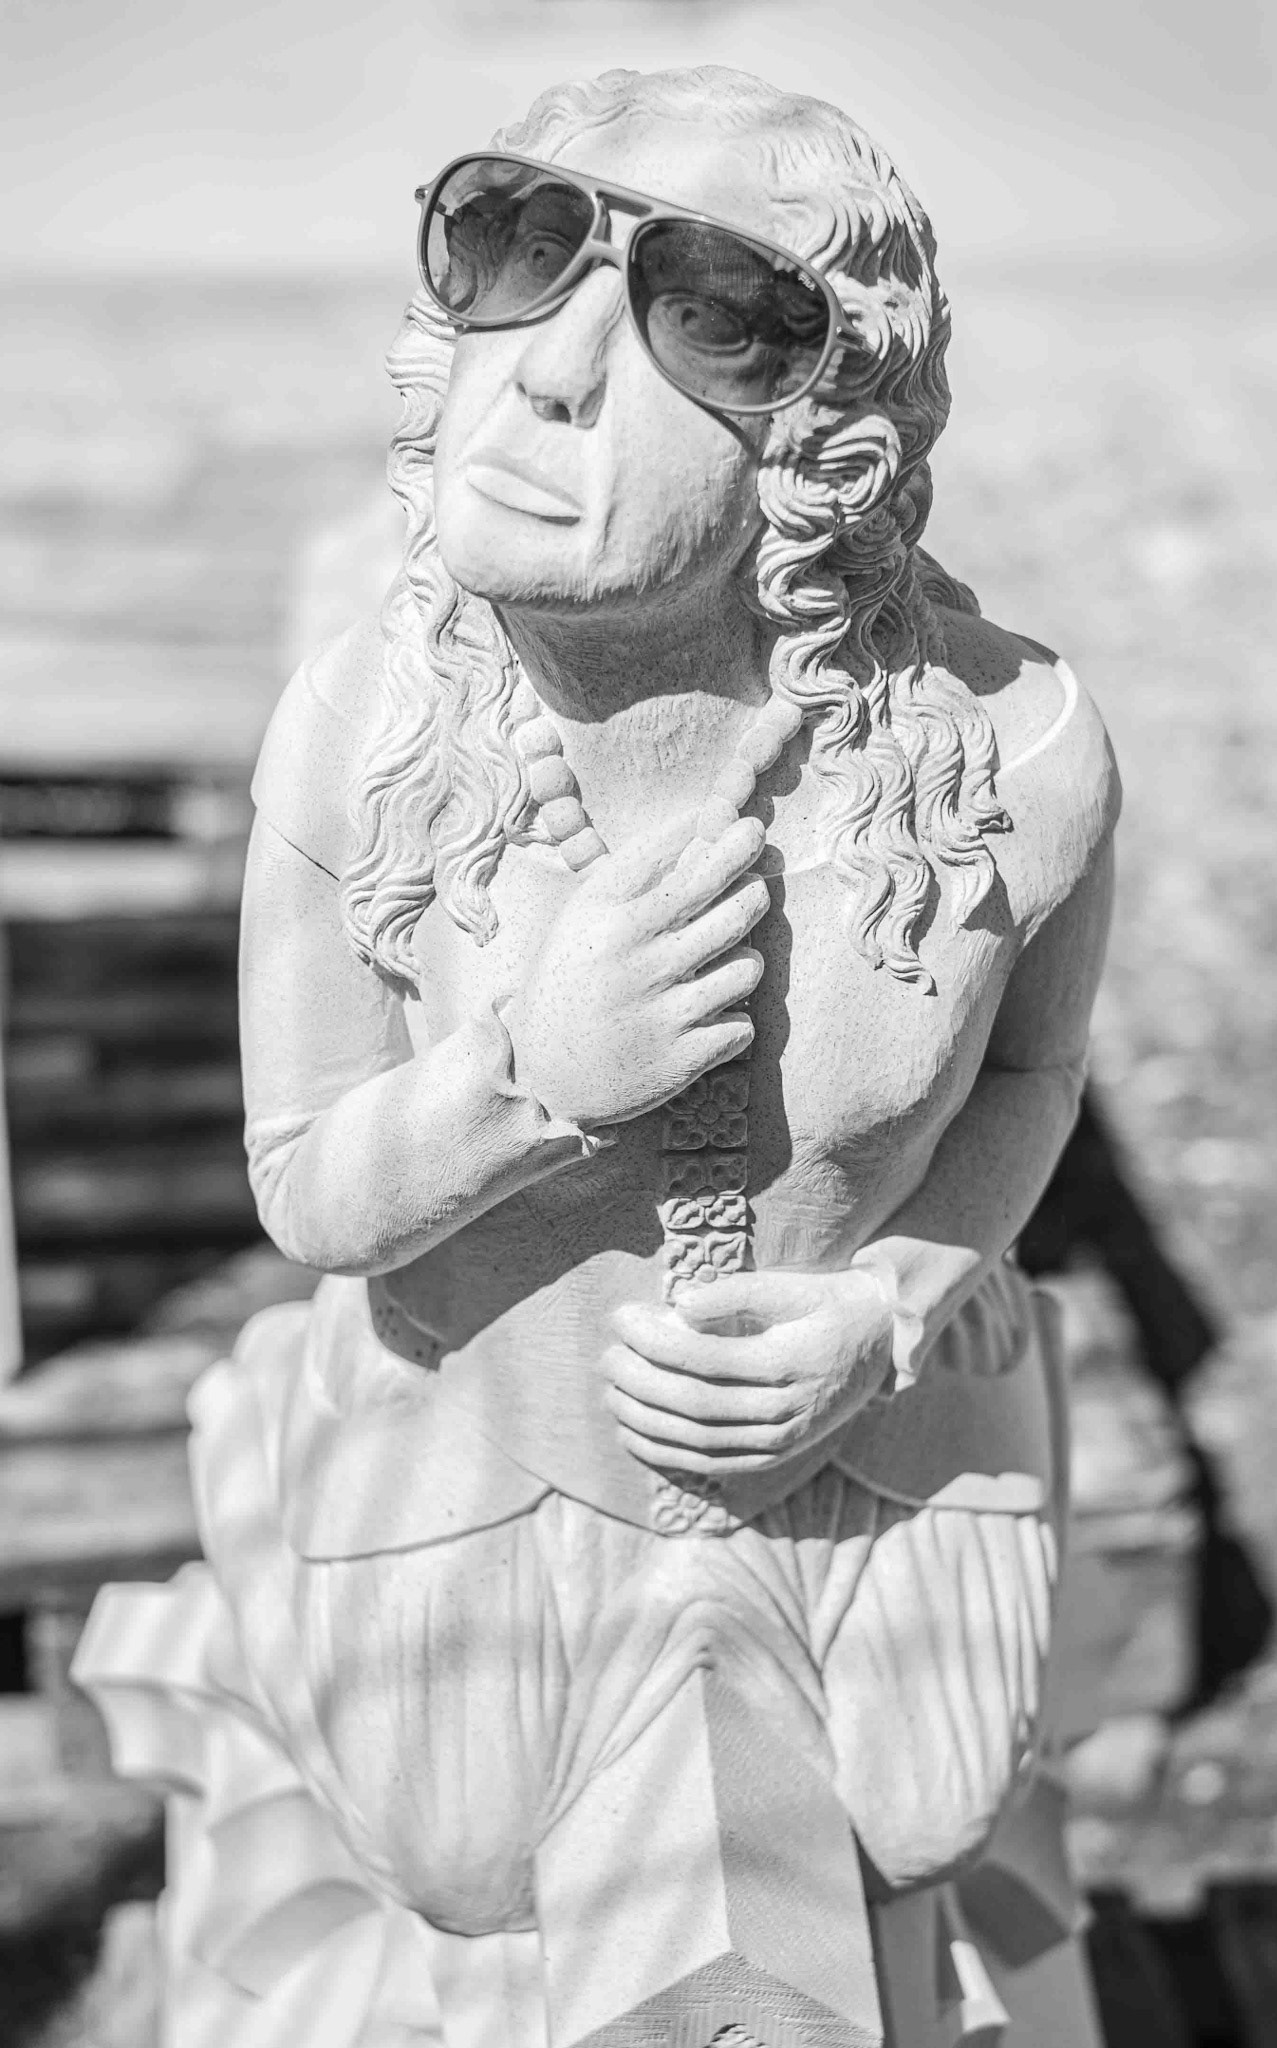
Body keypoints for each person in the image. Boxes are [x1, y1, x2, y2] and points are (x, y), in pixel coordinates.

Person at [75, 67, 1119, 2047]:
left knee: (926, 1806)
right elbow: (307, 1181)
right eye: (516, 243)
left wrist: (893, 1303)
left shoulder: (1030, 758)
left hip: (846, 1438)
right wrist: (532, 1078)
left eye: (710, 310)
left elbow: (1025, 1088)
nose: (549, 374)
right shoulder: (368, 725)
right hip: (485, 1425)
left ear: (834, 441)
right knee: (463, 1858)